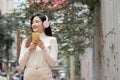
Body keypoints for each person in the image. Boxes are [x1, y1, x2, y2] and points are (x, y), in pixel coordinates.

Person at [18, 13, 58, 80]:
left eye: (37, 22)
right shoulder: (26, 41)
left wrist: (43, 47)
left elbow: (53, 63)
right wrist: (29, 49)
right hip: (29, 77)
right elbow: (21, 63)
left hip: (45, 77)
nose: (33, 24)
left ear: (44, 24)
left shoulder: (52, 40)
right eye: (32, 22)